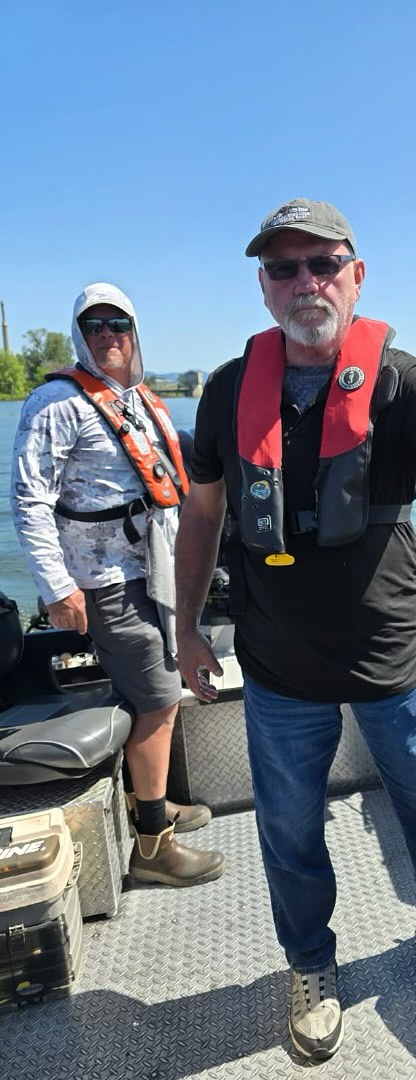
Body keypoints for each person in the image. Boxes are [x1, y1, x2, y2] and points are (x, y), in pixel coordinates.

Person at [174, 199, 416, 1062]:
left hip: (396, 658)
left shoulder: (405, 384)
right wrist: (185, 627)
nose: (305, 283)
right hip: (278, 664)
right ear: (262, 287)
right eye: (284, 268)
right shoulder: (222, 391)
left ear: (357, 276)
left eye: (323, 264)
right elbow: (203, 516)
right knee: (288, 832)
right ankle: (311, 966)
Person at [9, 282, 225, 889]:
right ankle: (153, 848)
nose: (107, 336)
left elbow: (180, 465)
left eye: (118, 324)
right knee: (158, 697)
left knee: (159, 691)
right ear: (79, 335)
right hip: (104, 581)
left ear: (134, 332)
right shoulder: (56, 403)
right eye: (94, 326)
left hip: (154, 568)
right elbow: (29, 501)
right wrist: (56, 588)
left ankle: (149, 803)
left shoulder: (135, 399)